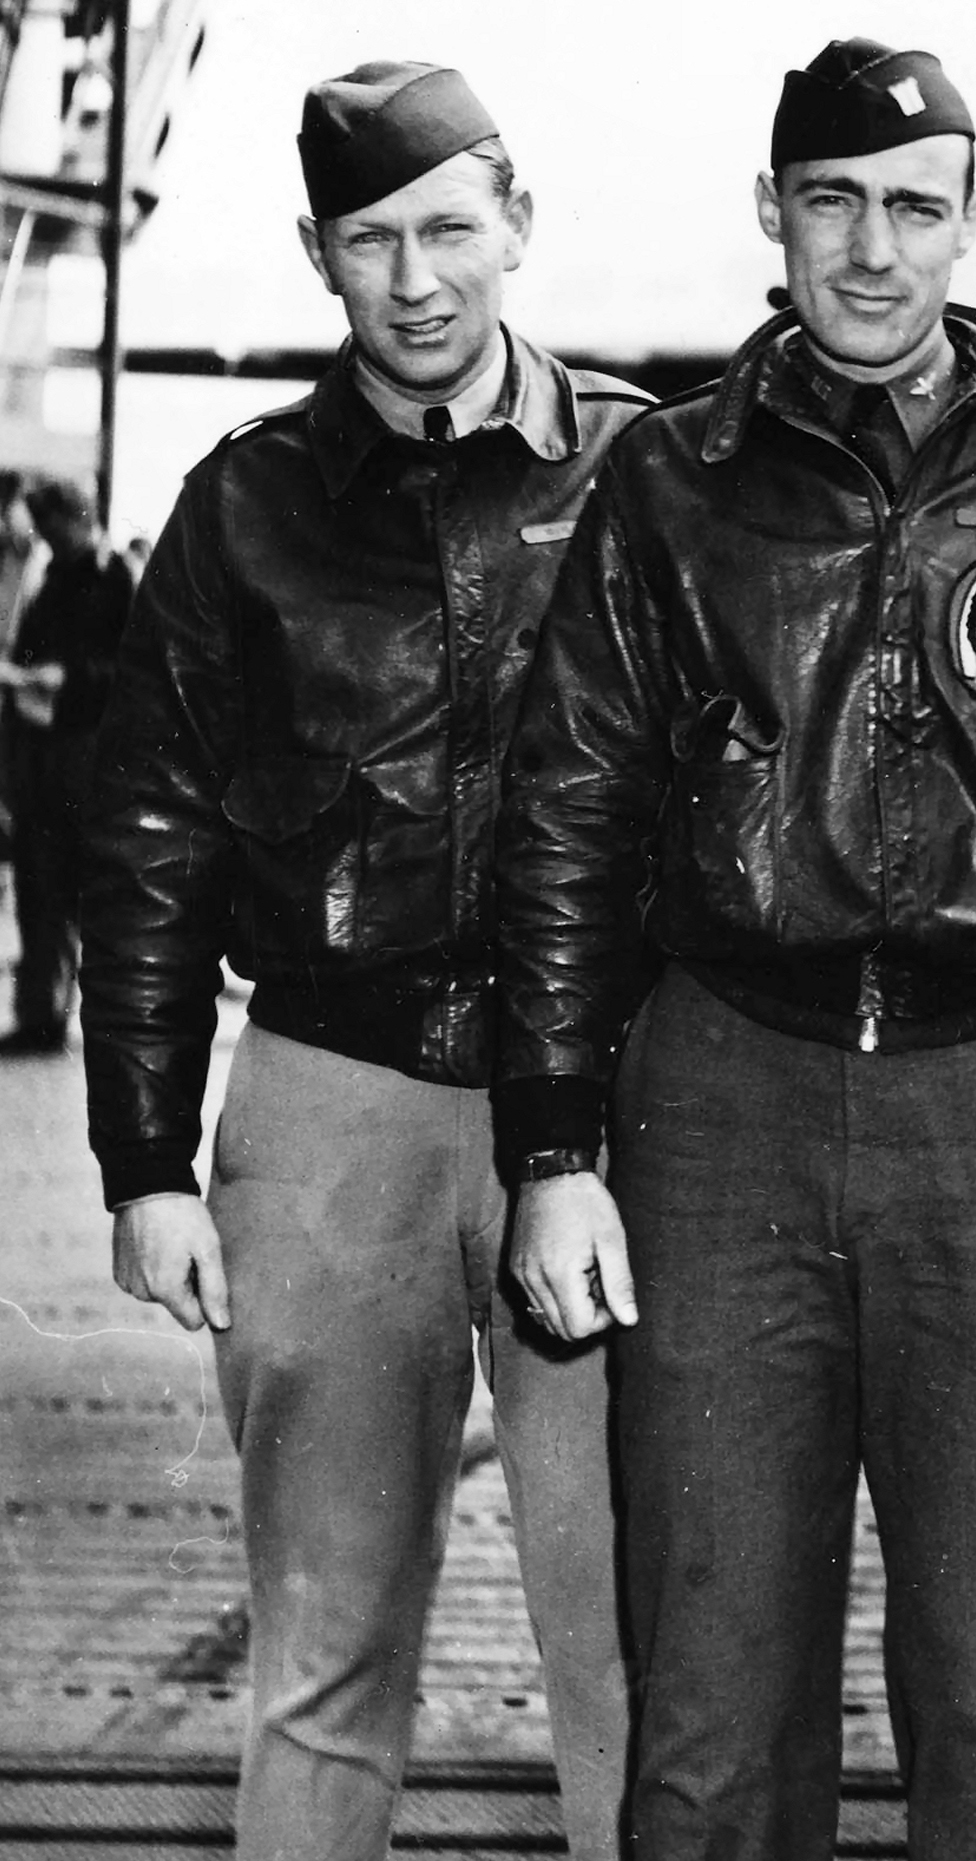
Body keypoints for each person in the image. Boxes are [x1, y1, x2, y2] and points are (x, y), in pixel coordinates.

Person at [488, 39, 976, 1861]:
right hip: (720, 1092)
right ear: (772, 215)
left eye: (914, 208)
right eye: (831, 204)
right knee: (706, 1687)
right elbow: (566, 815)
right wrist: (552, 1146)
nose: (870, 250)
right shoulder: (670, 485)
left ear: (970, 222)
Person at [77, 62, 644, 1861]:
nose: (418, 280)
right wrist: (147, 1163)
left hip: (610, 1118)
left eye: (452, 231)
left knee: (633, 1647)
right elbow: (149, 843)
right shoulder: (242, 510)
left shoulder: (644, 473)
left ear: (519, 225)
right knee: (322, 1658)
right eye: (374, 242)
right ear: (320, 255)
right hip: (332, 1111)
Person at [2, 476, 131, 1052]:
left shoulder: (117, 580)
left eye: (55, 532)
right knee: (38, 885)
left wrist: (68, 677)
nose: (49, 544)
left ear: (78, 520)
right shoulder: (54, 578)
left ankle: (68, 1014)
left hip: (88, 754)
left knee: (76, 892)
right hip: (45, 750)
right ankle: (39, 1015)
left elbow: (136, 673)